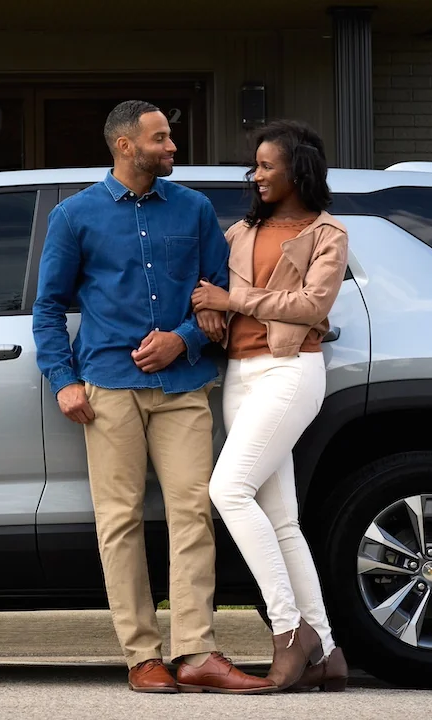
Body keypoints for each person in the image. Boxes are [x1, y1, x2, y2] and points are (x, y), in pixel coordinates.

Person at [34, 100, 273, 695]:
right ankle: (143, 655)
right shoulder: (74, 216)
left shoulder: (193, 210)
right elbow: (48, 309)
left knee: (193, 512)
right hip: (108, 388)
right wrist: (62, 380)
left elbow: (216, 295)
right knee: (119, 523)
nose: (172, 147)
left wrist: (181, 340)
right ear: (124, 145)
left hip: (182, 386)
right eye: (161, 138)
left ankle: (196, 650)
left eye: (170, 136)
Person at [189, 119, 349, 693]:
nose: (255, 175)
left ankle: (288, 632)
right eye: (253, 166)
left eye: (266, 166)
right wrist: (209, 309)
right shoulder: (238, 233)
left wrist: (233, 299)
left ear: (297, 170)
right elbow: (207, 289)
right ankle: (327, 651)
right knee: (282, 519)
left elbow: (310, 305)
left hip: (290, 371)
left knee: (227, 490)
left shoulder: (327, 233)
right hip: (241, 373)